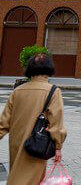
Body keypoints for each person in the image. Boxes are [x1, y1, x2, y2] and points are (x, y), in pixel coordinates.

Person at [0, 53, 67, 184]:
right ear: (49, 68)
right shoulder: (53, 91)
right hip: (36, 145)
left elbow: (3, 123)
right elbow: (56, 123)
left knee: (17, 176)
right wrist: (58, 146)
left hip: (17, 143)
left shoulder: (17, 91)